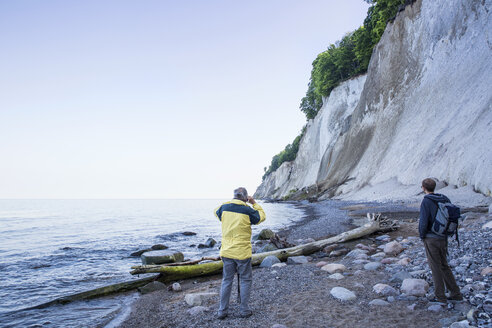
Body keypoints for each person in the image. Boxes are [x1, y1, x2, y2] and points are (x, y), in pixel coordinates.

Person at [214, 187, 266, 319]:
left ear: (234, 196)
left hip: (227, 251)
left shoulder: (224, 208)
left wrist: (231, 203)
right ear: (245, 197)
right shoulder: (248, 210)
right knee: (245, 280)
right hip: (242, 252)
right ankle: (244, 310)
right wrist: (253, 203)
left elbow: (215, 212)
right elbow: (261, 217)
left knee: (226, 280)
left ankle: (222, 311)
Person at [418, 178, 463, 304]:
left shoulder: (426, 201)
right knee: (444, 265)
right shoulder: (444, 198)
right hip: (443, 237)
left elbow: (423, 221)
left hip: (431, 238)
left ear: (423, 188)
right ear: (434, 187)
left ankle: (440, 296)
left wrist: (422, 236)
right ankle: (456, 293)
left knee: (435, 267)